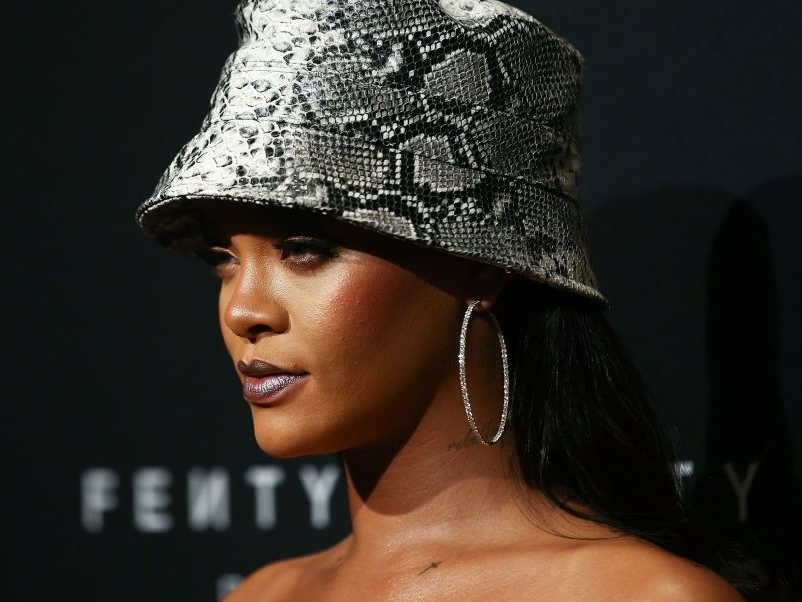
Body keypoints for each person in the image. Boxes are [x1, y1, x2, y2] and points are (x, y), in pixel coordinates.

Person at [134, 0, 769, 599]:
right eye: (223, 259)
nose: (243, 310)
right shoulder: (262, 594)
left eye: (304, 250)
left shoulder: (639, 595)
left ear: (485, 267)